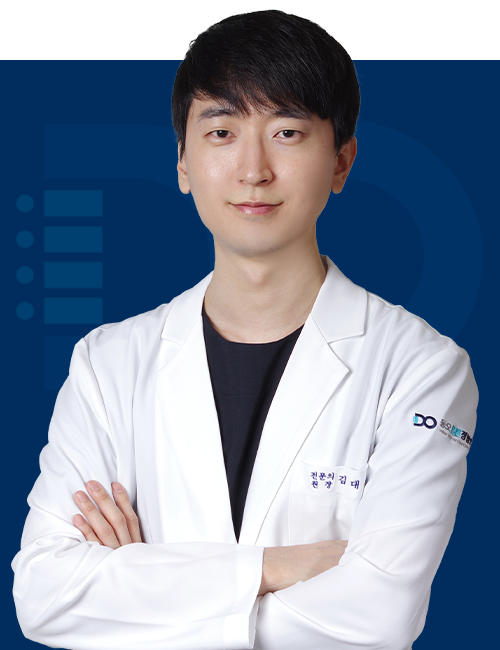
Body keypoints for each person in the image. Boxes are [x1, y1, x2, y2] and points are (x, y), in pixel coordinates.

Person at [12, 8, 478, 650]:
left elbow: (381, 615)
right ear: (183, 163)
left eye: (287, 132)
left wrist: (140, 585)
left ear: (341, 162)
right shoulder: (108, 362)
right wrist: (278, 567)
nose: (253, 169)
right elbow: (44, 595)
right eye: (222, 131)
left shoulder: (421, 367)